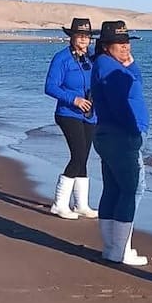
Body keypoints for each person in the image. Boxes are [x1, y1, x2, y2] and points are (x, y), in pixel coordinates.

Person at [90, 20, 149, 266]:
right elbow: (120, 105)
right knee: (132, 189)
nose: (125, 47)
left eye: (127, 42)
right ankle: (120, 250)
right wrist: (134, 131)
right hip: (120, 136)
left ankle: (111, 248)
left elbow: (136, 83)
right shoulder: (108, 69)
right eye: (119, 43)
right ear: (106, 46)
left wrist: (130, 63)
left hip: (108, 134)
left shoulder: (110, 65)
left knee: (114, 188)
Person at [44, 18, 98, 219]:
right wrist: (74, 99)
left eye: (87, 36)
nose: (84, 39)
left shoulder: (93, 57)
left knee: (83, 157)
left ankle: (81, 204)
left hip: (90, 115)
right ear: (72, 37)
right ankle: (59, 204)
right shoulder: (61, 58)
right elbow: (50, 87)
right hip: (68, 113)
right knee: (78, 156)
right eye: (80, 35)